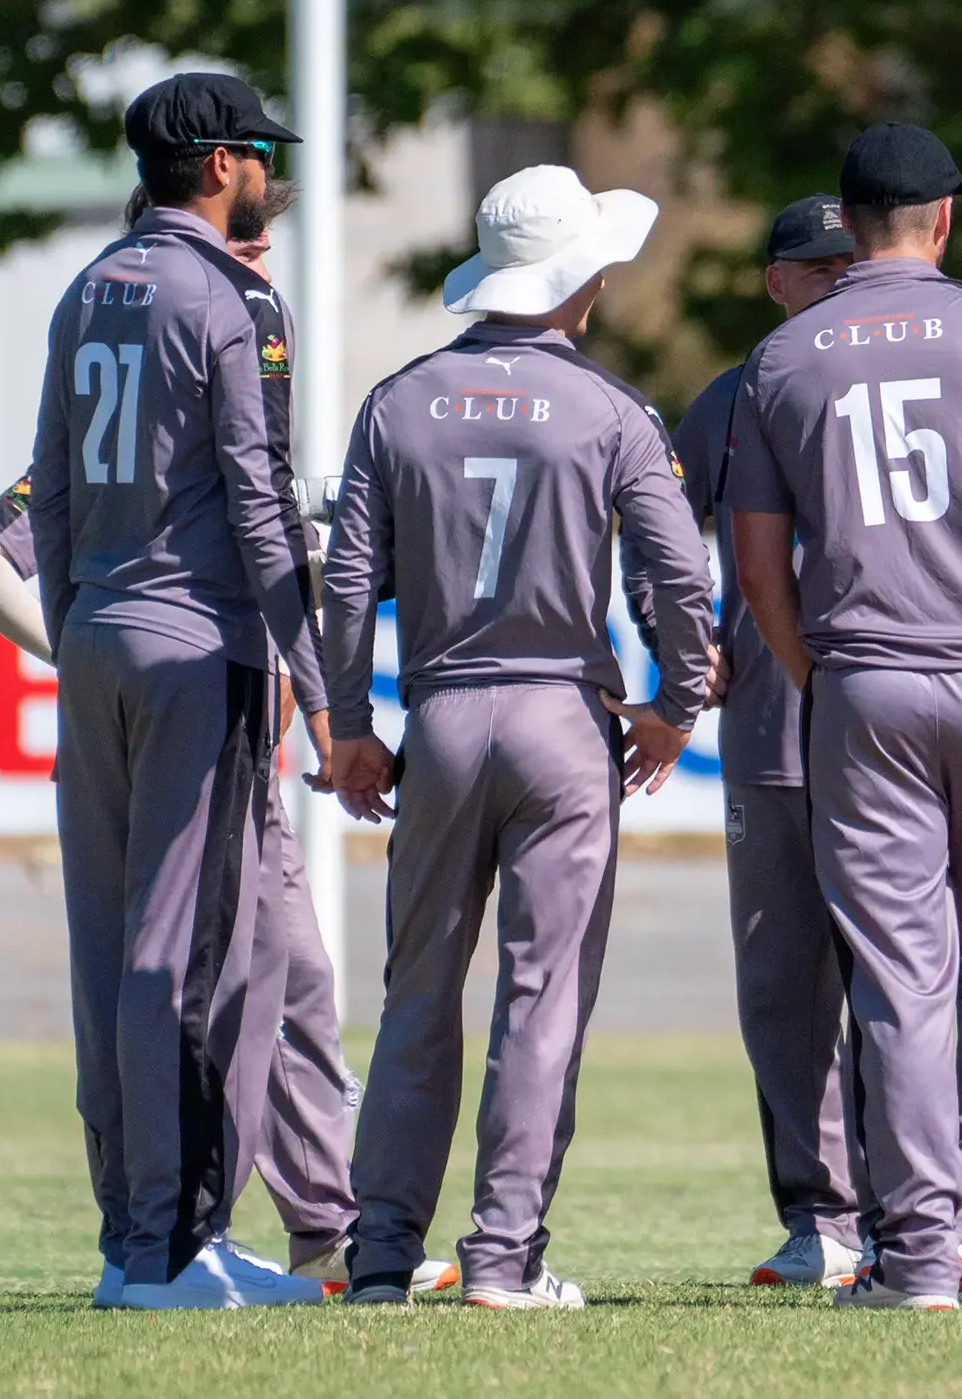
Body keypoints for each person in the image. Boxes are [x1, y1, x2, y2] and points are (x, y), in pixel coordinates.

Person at [0, 181, 458, 1307]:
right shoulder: (192, 378)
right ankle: (177, 1236)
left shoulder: (113, 342)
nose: (259, 244)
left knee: (283, 981)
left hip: (167, 708)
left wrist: (88, 647)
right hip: (193, 709)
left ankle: (291, 1227)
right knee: (214, 974)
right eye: (247, 224)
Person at [727, 122, 962, 1310]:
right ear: (943, 218)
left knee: (898, 968)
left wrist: (814, 670)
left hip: (863, 675)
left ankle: (912, 1247)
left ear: (844, 223)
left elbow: (755, 566)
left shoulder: (784, 358)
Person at [319, 165, 713, 1310]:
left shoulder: (399, 399)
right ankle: (501, 1256)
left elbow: (349, 580)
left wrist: (349, 723)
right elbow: (678, 575)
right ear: (577, 279)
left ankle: (384, 1249)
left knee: (416, 991)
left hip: (440, 713)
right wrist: (677, 702)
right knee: (541, 996)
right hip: (560, 721)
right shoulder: (611, 411)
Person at [29, 71, 331, 1310]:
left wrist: (74, 627)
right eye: (262, 149)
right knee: (194, 959)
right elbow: (262, 507)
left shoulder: (88, 285)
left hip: (97, 627)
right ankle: (169, 1246)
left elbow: (47, 487)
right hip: (199, 642)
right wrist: (324, 693)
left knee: (108, 955)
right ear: (219, 165)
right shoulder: (234, 297)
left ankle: (129, 1235)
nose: (273, 169)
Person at [663, 194, 870, 1288]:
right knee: (786, 983)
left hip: (883, 719)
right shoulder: (732, 397)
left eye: (849, 259)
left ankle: (908, 1203)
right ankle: (820, 1212)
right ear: (773, 280)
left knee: (897, 971)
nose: (835, 277)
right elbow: (659, 531)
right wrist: (688, 634)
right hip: (771, 730)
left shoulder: (894, 371)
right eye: (813, 264)